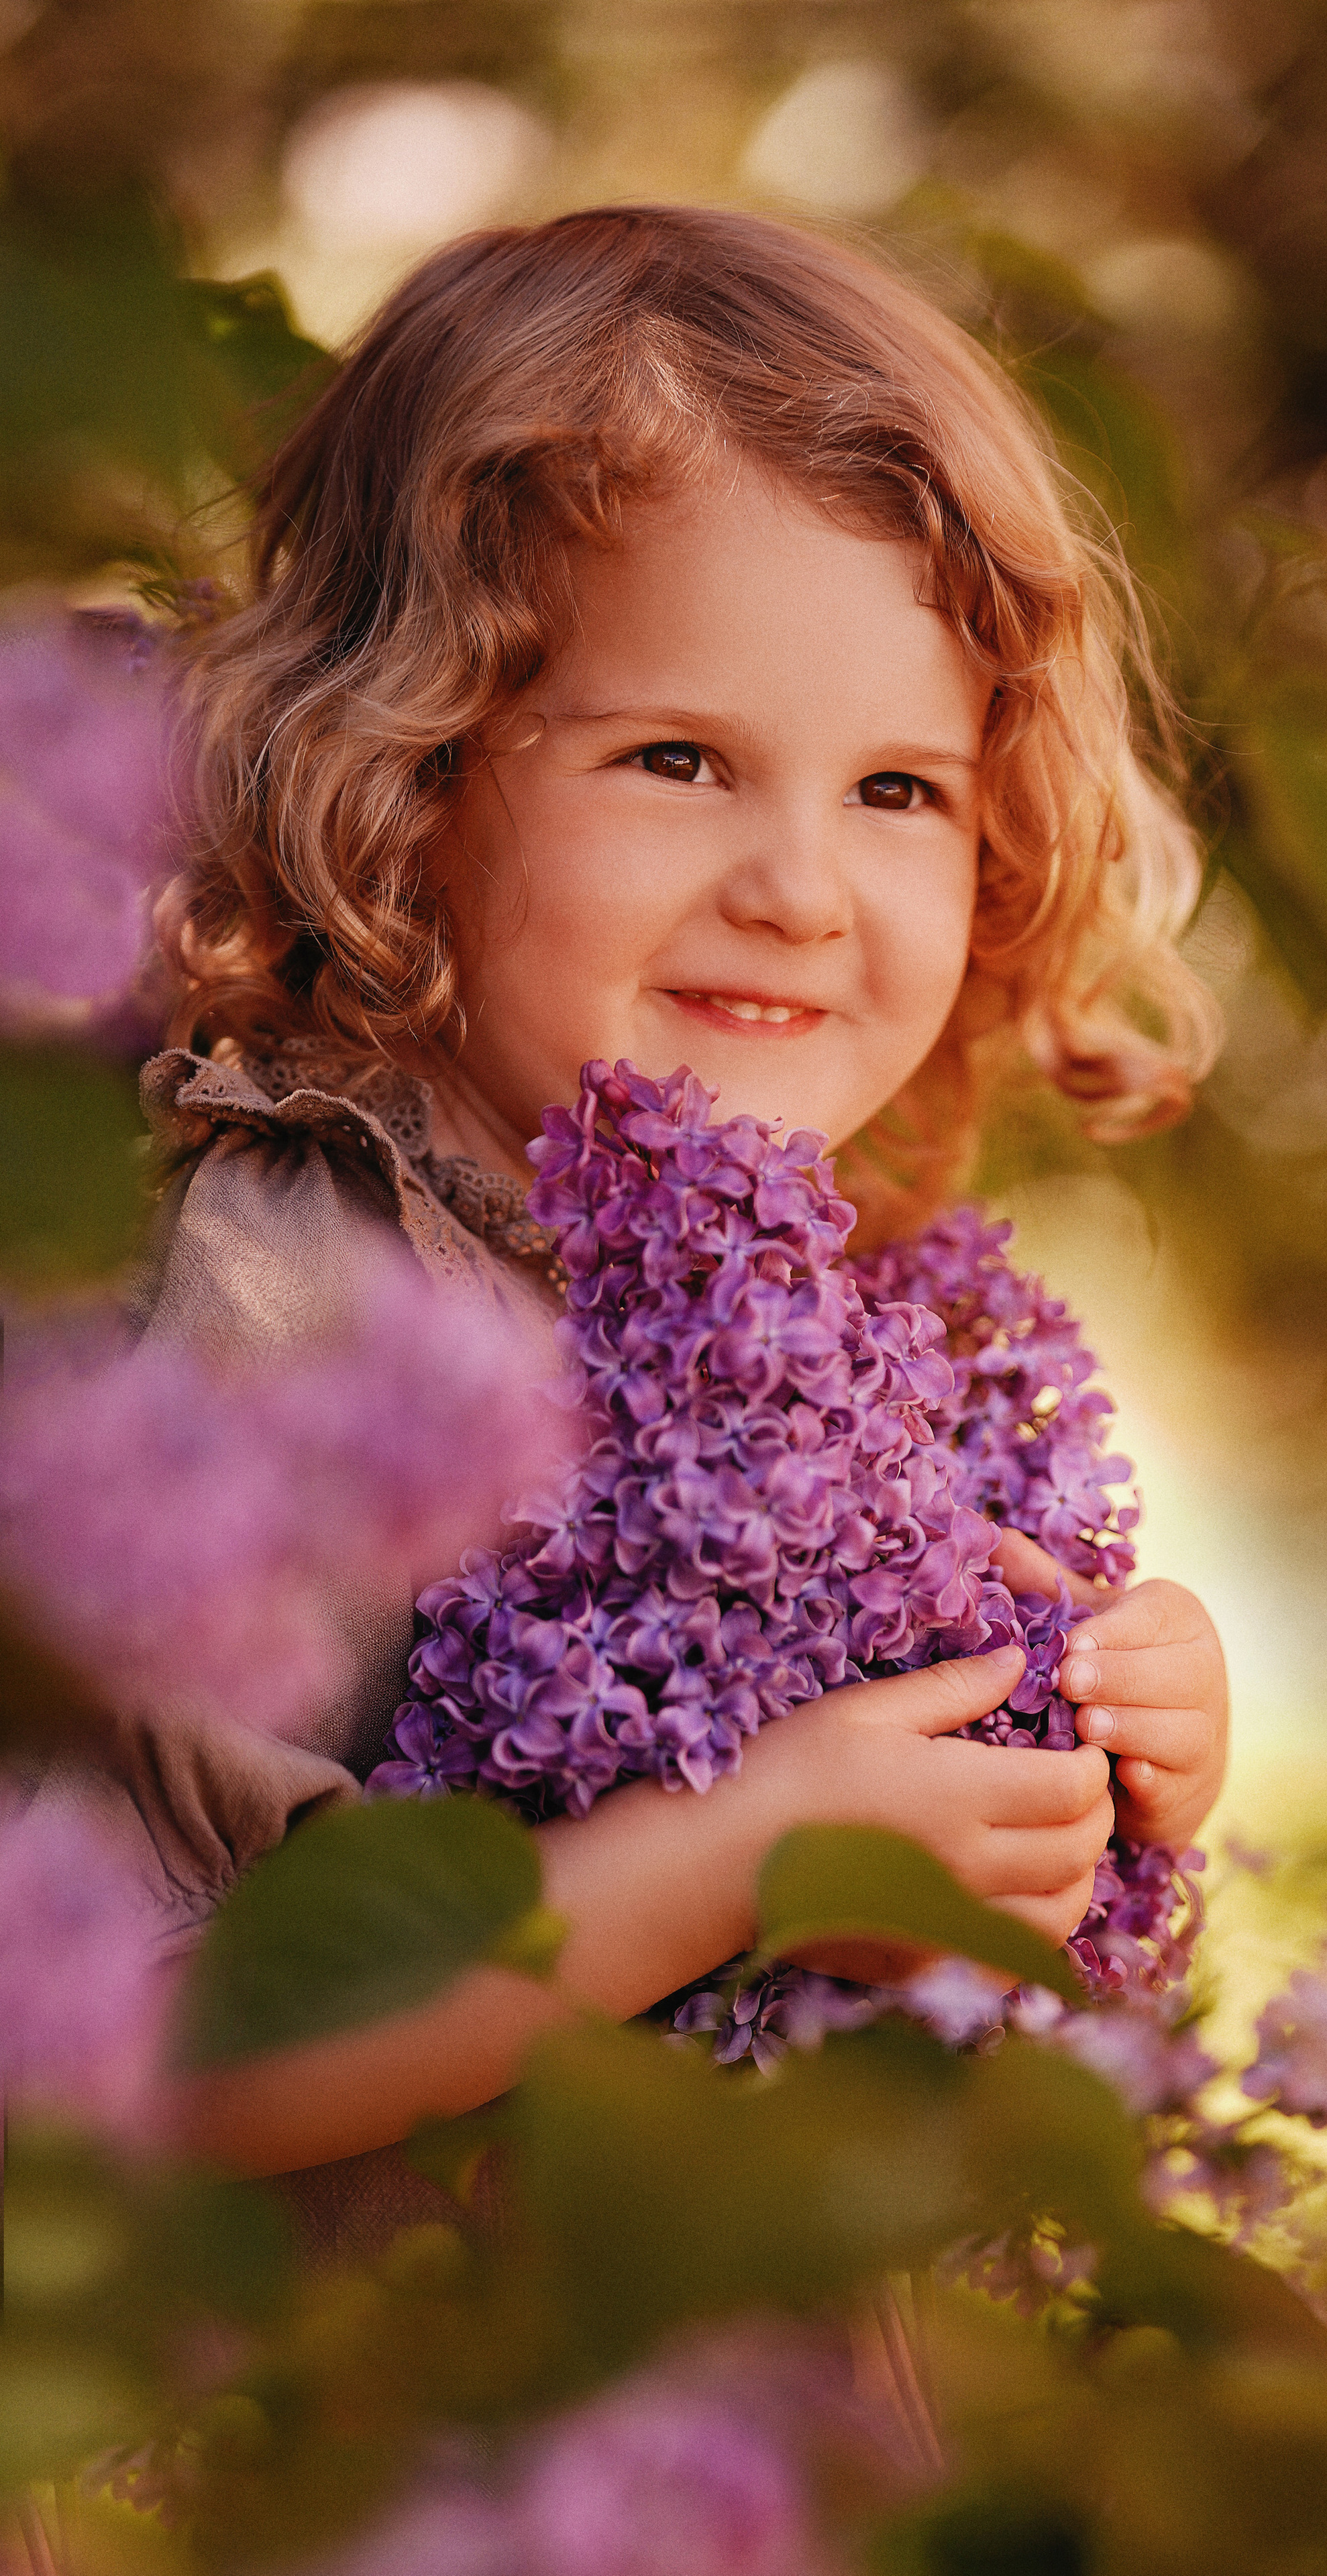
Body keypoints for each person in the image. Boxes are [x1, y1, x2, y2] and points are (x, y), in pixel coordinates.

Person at [131, 205, 1228, 2235]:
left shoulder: (870, 1308)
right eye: (679, 759)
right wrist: (730, 1861)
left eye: (900, 790)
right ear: (412, 775)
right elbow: (138, 2049)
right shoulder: (312, 1302)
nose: (802, 890)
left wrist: (1097, 1759)